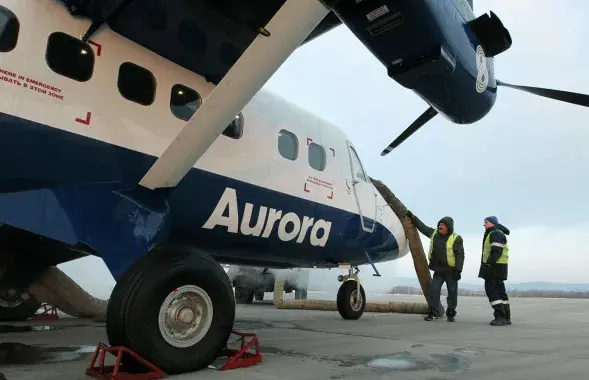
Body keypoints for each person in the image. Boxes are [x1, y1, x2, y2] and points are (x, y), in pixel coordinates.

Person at [406, 210, 465, 322]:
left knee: (452, 292)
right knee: (434, 290)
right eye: (439, 224)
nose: (440, 226)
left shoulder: (456, 238)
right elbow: (422, 227)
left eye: (443, 225)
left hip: (451, 271)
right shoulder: (434, 234)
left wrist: (458, 270)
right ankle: (433, 313)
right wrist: (413, 217)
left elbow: (460, 255)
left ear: (449, 227)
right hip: (439, 270)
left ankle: (451, 313)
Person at [478, 216, 511, 326]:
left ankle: (500, 317)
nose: (484, 225)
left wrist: (488, 264)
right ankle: (506, 317)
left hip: (494, 268)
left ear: (492, 223)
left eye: (486, 222)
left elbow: (496, 251)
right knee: (501, 293)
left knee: (493, 292)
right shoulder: (496, 233)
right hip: (500, 269)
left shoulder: (495, 234)